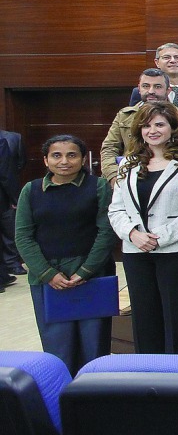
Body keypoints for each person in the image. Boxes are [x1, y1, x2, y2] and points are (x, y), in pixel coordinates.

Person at [14, 135, 117, 373]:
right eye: (56, 155)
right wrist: (48, 274)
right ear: (45, 160)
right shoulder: (31, 190)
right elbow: (23, 236)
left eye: (72, 155)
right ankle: (61, 398)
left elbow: (106, 231)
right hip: (48, 279)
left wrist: (86, 271)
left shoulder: (98, 186)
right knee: (57, 348)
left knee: (94, 346)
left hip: (92, 275)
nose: (64, 161)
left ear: (83, 160)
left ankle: (93, 399)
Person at [108, 102, 178, 354]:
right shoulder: (126, 164)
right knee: (144, 318)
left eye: (159, 124)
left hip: (177, 252)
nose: (152, 130)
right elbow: (116, 209)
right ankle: (148, 375)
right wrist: (132, 234)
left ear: (172, 128)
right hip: (136, 251)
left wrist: (159, 238)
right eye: (146, 125)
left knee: (177, 320)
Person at [101, 68, 169, 185]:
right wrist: (114, 176)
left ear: (168, 90)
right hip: (129, 175)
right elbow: (109, 148)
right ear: (139, 88)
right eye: (146, 86)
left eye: (157, 87)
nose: (151, 91)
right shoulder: (124, 115)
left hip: (167, 176)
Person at [0, 126, 25, 284]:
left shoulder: (12, 138)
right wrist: (15, 198)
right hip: (3, 194)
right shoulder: (1, 142)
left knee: (9, 229)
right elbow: (5, 174)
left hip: (4, 194)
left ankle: (9, 266)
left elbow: (19, 164)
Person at [128, 43, 178, 107]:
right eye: (166, 57)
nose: (173, 60)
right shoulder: (140, 92)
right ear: (157, 62)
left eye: (177, 57)